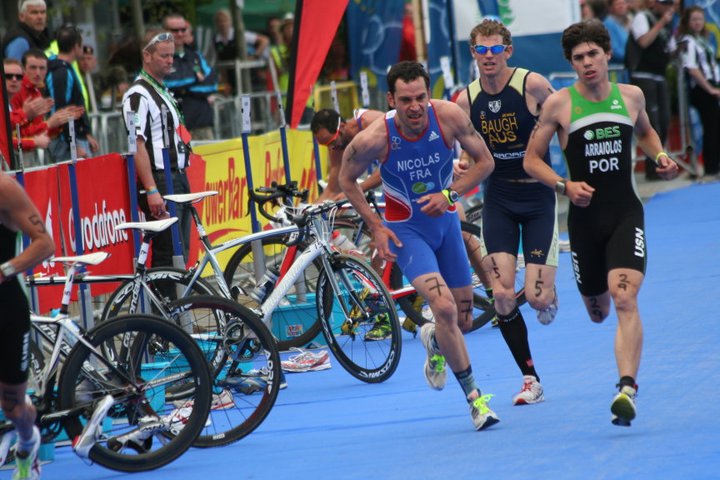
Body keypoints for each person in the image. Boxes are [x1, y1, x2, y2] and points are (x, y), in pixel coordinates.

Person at [523, 19, 679, 426]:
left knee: (625, 296)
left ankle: (627, 389)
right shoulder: (559, 104)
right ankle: (567, 295)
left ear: (608, 54)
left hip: (626, 212)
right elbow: (531, 160)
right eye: (579, 58)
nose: (588, 62)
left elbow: (646, 134)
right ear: (571, 64)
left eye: (594, 54)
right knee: (599, 311)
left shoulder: (631, 96)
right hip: (584, 222)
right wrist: (564, 185)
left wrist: (659, 157)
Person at [339, 61, 499, 430]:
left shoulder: (449, 118)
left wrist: (450, 193)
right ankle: (476, 400)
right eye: (405, 100)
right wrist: (376, 227)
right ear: (391, 99)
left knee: (461, 319)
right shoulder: (374, 138)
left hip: (445, 224)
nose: (414, 107)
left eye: (421, 98)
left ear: (429, 95)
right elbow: (346, 179)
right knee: (442, 306)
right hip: (407, 231)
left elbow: (484, 162)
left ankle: (434, 340)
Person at [454, 18, 558, 406]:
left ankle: (547, 289)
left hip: (538, 199)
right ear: (473, 54)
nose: (489, 57)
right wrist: (463, 163)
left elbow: (563, 121)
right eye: (481, 50)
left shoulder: (532, 84)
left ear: (508, 51)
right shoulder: (465, 99)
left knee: (539, 298)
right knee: (501, 296)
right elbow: (468, 147)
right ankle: (530, 378)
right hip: (497, 198)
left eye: (496, 49)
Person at [0, 170, 55, 480]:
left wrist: (3, 271)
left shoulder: (4, 187)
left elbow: (45, 244)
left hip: (6, 310)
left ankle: (27, 442)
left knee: (13, 407)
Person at [122, 29, 192, 267]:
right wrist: (151, 189)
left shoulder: (162, 90)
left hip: (177, 176)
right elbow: (136, 144)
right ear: (147, 55)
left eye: (172, 55)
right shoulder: (137, 95)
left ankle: (181, 302)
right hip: (161, 179)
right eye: (164, 55)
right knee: (168, 251)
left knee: (181, 248)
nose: (170, 60)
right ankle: (167, 303)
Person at [628, 0, 675, 180]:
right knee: (651, 123)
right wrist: (662, 22)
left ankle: (661, 165)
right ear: (654, 3)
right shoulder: (643, 17)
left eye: (670, 4)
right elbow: (644, 42)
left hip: (659, 75)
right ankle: (652, 170)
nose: (668, 7)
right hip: (643, 76)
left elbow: (668, 50)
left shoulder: (667, 22)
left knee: (664, 121)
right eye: (664, 3)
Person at [10, 49, 84, 158]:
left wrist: (58, 123)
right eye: (33, 68)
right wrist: (48, 124)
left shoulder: (36, 91)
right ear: (24, 69)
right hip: (20, 156)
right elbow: (16, 134)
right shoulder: (16, 92)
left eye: (42, 68)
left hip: (33, 154)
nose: (38, 73)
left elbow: (38, 132)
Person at [677, 6, 720, 178]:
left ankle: (714, 164)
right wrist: (709, 89)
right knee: (711, 127)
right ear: (688, 22)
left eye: (700, 19)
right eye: (694, 19)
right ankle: (711, 167)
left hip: (711, 85)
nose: (697, 23)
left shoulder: (704, 40)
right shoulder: (687, 40)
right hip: (701, 88)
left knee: (716, 126)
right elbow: (692, 69)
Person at [46, 26, 99, 161]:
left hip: (74, 138)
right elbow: (60, 112)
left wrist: (85, 133)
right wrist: (74, 146)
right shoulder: (61, 72)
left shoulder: (65, 69)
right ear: (76, 47)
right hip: (65, 144)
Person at [162, 13, 218, 141]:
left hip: (202, 125)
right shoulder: (160, 59)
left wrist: (184, 90)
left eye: (183, 29)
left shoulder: (196, 56)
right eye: (175, 30)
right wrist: (196, 81)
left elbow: (212, 83)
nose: (180, 33)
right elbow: (166, 85)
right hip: (175, 130)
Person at [310, 108, 383, 202]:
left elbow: (390, 167)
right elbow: (332, 190)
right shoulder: (339, 143)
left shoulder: (369, 123)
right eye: (326, 145)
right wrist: (310, 210)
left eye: (332, 142)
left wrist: (355, 190)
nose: (332, 149)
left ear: (341, 127)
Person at [604, 0, 632, 67]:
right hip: (616, 68)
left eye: (623, 3)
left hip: (626, 66)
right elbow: (614, 50)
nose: (621, 6)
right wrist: (632, 58)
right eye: (618, 4)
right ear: (611, 7)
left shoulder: (628, 22)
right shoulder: (608, 23)